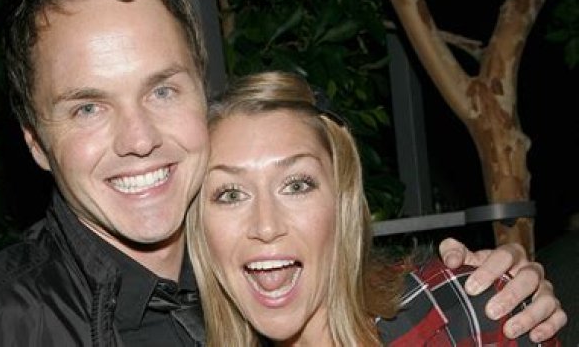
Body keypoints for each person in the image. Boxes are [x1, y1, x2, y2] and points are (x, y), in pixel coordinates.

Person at [0, 0, 565, 346]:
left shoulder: (263, 279)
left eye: (161, 89)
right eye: (88, 107)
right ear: (35, 142)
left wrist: (489, 296)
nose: (139, 139)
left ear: (200, 88)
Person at [186, 70, 567, 346]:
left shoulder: (459, 314)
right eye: (231, 194)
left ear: (342, 202)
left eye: (296, 185)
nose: (266, 226)